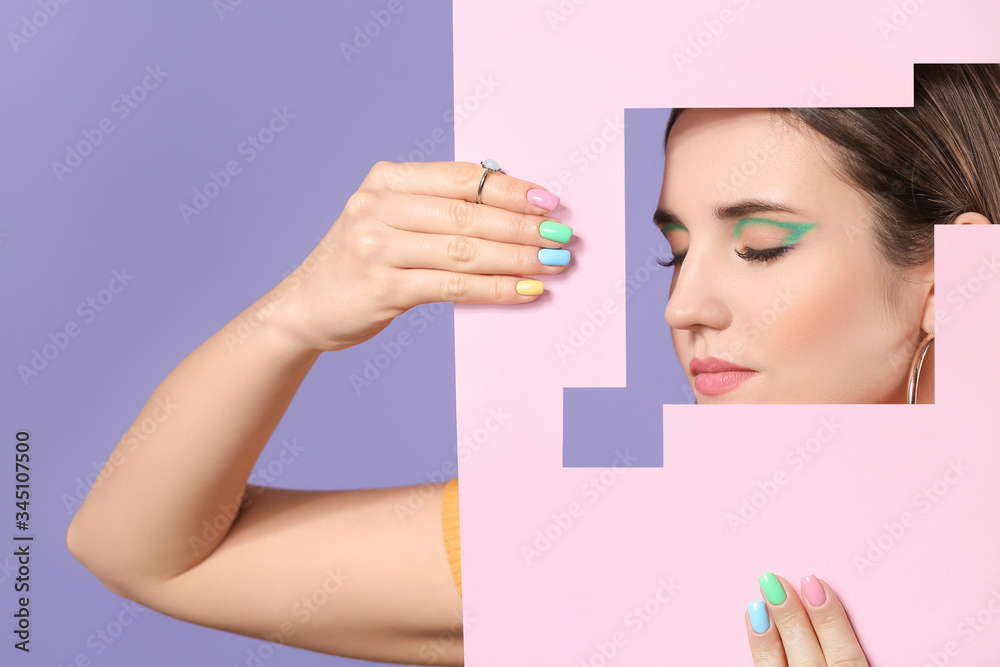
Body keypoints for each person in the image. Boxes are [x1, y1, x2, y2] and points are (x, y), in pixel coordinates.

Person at [66, 63, 999, 666]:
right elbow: (142, 551)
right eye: (674, 252)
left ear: (950, 280)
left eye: (760, 244)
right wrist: (292, 320)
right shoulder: (607, 538)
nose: (683, 306)